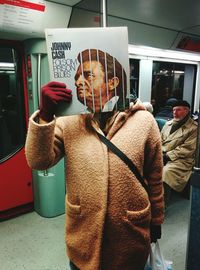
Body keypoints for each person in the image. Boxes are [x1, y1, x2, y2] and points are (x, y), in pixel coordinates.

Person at [25, 49, 164, 270]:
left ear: (112, 82)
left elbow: (155, 178)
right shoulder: (68, 121)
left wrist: (156, 222)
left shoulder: (144, 122)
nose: (79, 81)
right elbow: (38, 160)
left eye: (88, 75)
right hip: (83, 239)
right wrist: (45, 115)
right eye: (77, 76)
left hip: (130, 236)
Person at [161, 100, 197, 207]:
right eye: (173, 110)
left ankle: (161, 206)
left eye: (178, 110)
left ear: (187, 111)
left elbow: (187, 149)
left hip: (182, 160)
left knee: (165, 173)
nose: (175, 113)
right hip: (162, 155)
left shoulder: (194, 128)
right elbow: (159, 139)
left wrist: (167, 156)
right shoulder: (168, 124)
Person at [75, 49, 127, 113]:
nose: (77, 83)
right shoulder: (81, 117)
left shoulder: (132, 112)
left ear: (112, 83)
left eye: (88, 75)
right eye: (76, 78)